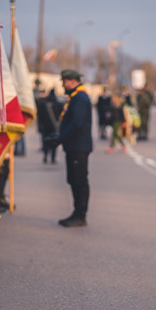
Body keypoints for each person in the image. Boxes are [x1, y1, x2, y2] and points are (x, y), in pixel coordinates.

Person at [53, 69, 92, 227]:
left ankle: (80, 215)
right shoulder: (75, 97)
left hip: (78, 147)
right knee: (74, 180)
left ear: (72, 81)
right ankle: (77, 213)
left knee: (79, 181)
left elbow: (77, 123)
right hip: (74, 146)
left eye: (65, 81)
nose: (63, 84)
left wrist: (60, 139)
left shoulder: (80, 98)